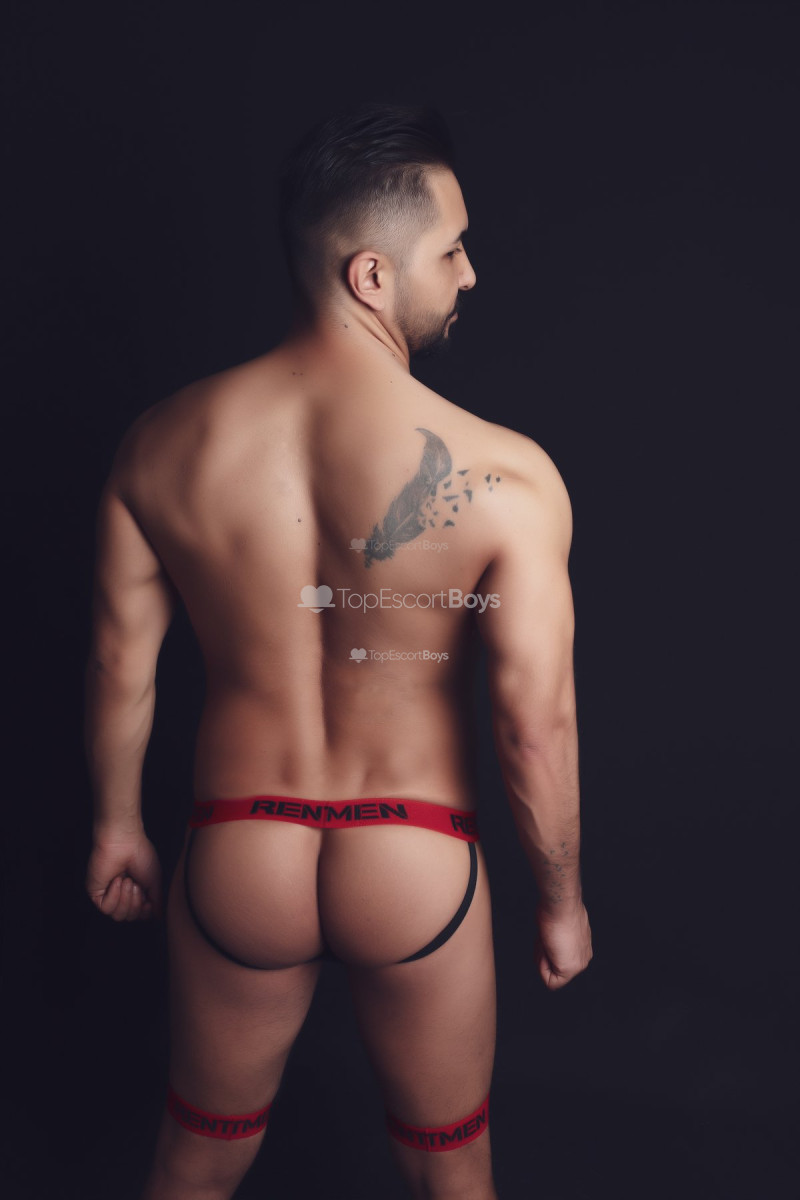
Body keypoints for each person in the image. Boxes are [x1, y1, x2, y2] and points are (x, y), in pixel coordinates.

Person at [84, 102, 593, 1200]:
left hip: (240, 847)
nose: (469, 274)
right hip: (412, 852)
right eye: (451, 249)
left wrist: (118, 826)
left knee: (194, 1162)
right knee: (452, 1173)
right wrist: (560, 900)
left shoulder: (160, 445)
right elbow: (533, 722)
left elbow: (122, 661)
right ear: (371, 275)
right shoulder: (506, 475)